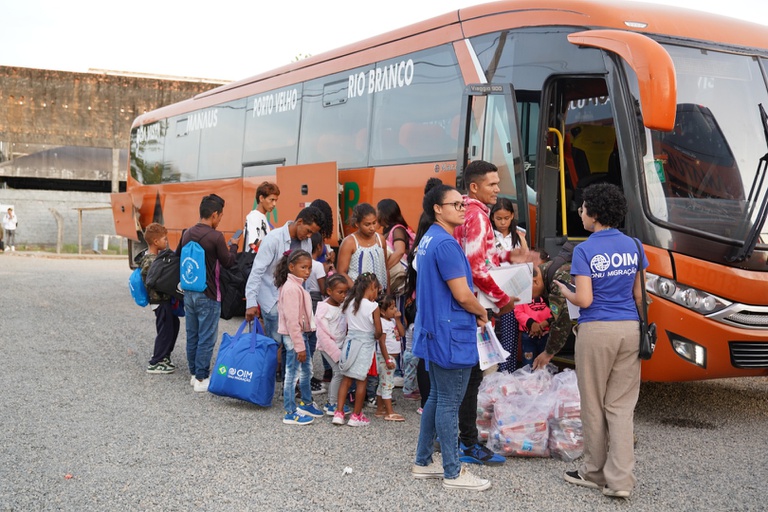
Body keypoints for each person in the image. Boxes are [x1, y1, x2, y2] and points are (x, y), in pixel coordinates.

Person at [555, 183, 646, 499]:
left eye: (582, 208)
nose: (580, 213)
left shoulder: (584, 250)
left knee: (593, 403)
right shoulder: (635, 246)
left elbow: (585, 299)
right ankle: (620, 481)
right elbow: (639, 295)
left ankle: (593, 472)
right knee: (621, 406)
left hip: (596, 331)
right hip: (630, 329)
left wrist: (565, 291)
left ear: (593, 214)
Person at [410, 179, 492, 491]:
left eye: (463, 204)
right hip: (450, 332)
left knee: (436, 396)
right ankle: (453, 472)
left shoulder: (429, 239)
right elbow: (462, 294)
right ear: (437, 209)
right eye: (456, 204)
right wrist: (481, 311)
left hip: (434, 329)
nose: (462, 209)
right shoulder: (446, 244)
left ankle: (423, 461)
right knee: (448, 400)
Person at [453, 160, 521, 466]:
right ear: (474, 187)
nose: (497, 189)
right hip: (474, 307)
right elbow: (477, 268)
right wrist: (503, 300)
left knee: (462, 376)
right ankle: (468, 443)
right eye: (492, 184)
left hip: (461, 304)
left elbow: (483, 256)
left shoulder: (462, 212)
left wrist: (509, 256)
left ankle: (455, 438)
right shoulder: (479, 217)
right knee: (471, 377)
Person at [244, 206, 324, 380]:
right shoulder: (273, 239)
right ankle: (267, 382)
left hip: (294, 300)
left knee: (292, 343)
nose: (309, 236)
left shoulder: (306, 242)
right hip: (272, 299)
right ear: (300, 222)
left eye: (312, 233)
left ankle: (288, 384)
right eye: (308, 231)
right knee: (275, 344)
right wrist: (251, 302)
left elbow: (304, 275)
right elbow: (257, 271)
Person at [179, 194, 239, 392]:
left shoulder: (187, 233)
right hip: (209, 294)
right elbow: (228, 262)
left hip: (189, 291)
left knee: (192, 335)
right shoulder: (216, 236)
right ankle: (201, 377)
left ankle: (194, 374)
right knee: (206, 337)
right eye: (220, 216)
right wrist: (234, 246)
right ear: (214, 214)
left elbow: (178, 255)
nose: (220, 219)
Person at [275, 249, 325, 425]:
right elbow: (291, 321)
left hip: (300, 335)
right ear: (291, 267)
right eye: (303, 267)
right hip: (294, 338)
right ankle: (290, 411)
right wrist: (299, 346)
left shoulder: (297, 286)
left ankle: (306, 402)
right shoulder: (291, 288)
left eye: (309, 268)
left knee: (306, 371)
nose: (307, 271)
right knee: (292, 374)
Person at [332, 272, 383, 427]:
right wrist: (375, 335)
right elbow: (379, 331)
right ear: (372, 287)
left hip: (350, 343)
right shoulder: (373, 306)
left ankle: (339, 413)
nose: (377, 293)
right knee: (361, 380)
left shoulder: (350, 302)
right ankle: (356, 415)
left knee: (346, 379)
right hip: (365, 345)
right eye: (377, 289)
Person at [490, 197, 529, 373]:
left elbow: (526, 260)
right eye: (499, 218)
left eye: (506, 218)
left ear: (512, 216)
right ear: (492, 217)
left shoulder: (518, 237)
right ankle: (494, 374)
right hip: (492, 288)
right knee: (491, 334)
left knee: (510, 336)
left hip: (512, 289)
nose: (503, 222)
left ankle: (507, 373)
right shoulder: (488, 235)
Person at [140, 223, 180, 374]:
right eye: (164, 239)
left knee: (173, 325)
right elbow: (154, 282)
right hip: (159, 301)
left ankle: (165, 356)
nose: (167, 242)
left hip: (163, 301)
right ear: (156, 241)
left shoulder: (155, 258)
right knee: (165, 331)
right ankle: (156, 362)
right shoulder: (151, 261)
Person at [316, 273, 351, 417]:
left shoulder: (342, 305)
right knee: (338, 372)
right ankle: (332, 403)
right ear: (329, 291)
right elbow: (323, 335)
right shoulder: (324, 309)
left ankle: (335, 401)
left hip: (340, 345)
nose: (343, 295)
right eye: (340, 292)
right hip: (328, 347)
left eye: (345, 292)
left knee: (341, 373)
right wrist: (337, 354)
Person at [336, 202, 389, 292]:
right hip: (357, 295)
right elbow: (341, 272)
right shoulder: (349, 242)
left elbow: (385, 268)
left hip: (379, 294)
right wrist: (359, 292)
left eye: (374, 223)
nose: (372, 228)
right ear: (357, 224)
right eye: (367, 224)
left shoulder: (380, 240)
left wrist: (388, 293)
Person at [514, 266, 553, 368]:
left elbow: (555, 311)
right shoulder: (521, 293)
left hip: (546, 333)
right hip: (528, 334)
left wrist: (544, 324)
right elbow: (518, 312)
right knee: (528, 364)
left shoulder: (549, 290)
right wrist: (532, 324)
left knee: (544, 365)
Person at [374, 294, 405, 422]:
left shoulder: (392, 321)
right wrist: (387, 359)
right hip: (385, 358)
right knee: (387, 384)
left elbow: (402, 333)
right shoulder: (382, 323)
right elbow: (382, 343)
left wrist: (398, 320)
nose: (395, 310)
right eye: (391, 308)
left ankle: (380, 409)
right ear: (382, 311)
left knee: (383, 383)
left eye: (395, 307)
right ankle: (389, 412)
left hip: (391, 357)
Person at [377, 198, 415, 298]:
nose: (376, 215)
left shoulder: (397, 229)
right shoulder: (387, 231)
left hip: (400, 277)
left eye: (377, 211)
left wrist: (383, 270)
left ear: (384, 213)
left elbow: (400, 252)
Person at [306, 232, 328, 394]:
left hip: (306, 298)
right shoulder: (318, 266)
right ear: (319, 246)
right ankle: (308, 377)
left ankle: (307, 375)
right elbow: (323, 289)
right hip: (315, 300)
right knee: (312, 338)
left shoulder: (304, 263)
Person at [244, 181, 279, 253]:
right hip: (254, 259)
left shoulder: (262, 217)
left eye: (276, 200)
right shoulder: (254, 217)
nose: (274, 204)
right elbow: (252, 244)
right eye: (272, 200)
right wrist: (261, 255)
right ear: (261, 198)